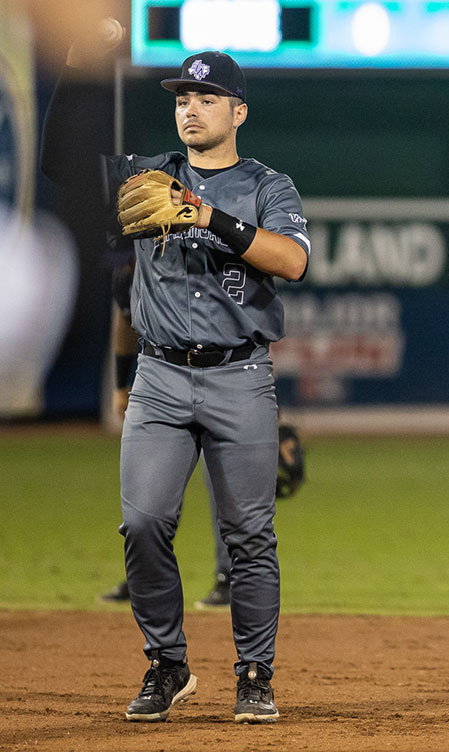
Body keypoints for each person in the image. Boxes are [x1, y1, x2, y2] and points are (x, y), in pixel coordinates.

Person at [42, 45, 310, 723]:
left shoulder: (267, 185)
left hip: (239, 376)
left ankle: (254, 673)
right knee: (142, 523)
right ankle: (167, 663)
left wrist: (207, 217)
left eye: (207, 98)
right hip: (160, 378)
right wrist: (76, 73)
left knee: (249, 535)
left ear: (238, 111)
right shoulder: (146, 176)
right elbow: (62, 169)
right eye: (183, 99)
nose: (191, 109)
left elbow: (293, 259)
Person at [99, 255, 308, 609]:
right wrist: (121, 385)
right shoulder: (133, 269)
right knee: (152, 496)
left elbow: (246, 343)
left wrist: (272, 416)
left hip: (233, 380)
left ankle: (229, 576)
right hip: (164, 383)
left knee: (224, 483)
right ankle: (145, 577)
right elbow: (125, 318)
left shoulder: (211, 256)